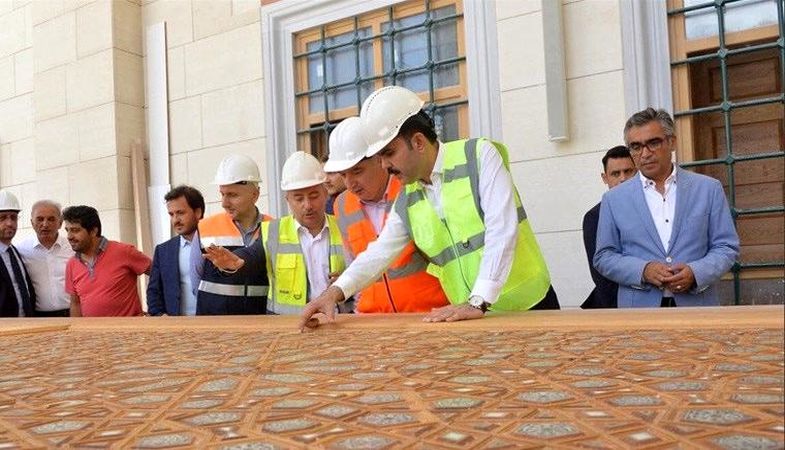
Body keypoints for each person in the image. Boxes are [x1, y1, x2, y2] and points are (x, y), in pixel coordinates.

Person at [299, 86, 558, 329]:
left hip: (528, 305)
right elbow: (379, 253)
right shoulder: (408, 197)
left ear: (419, 142)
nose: (384, 166)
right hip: (468, 317)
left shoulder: (480, 156)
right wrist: (334, 293)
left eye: (389, 153)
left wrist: (478, 300)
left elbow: (502, 231)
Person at [594, 108, 739, 307]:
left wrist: (696, 272)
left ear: (672, 142)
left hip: (697, 306)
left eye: (653, 143)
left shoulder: (708, 189)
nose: (645, 153)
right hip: (640, 311)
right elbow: (604, 256)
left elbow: (726, 247)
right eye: (636, 147)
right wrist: (643, 270)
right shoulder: (613, 199)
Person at [326, 116, 449, 312]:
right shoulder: (341, 205)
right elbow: (355, 264)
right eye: (343, 175)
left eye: (357, 171)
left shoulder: (411, 189)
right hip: (374, 318)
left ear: (380, 159)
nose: (350, 183)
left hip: (431, 313)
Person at [204, 151, 345, 315]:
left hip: (337, 321)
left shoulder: (345, 227)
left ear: (325, 194)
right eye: (299, 198)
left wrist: (347, 283)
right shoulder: (272, 231)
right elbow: (252, 254)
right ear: (288, 200)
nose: (307, 205)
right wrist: (236, 262)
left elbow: (362, 270)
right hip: (288, 324)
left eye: (314, 196)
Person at [191, 154, 271, 315]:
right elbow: (195, 283)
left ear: (255, 195)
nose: (224, 203)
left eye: (233, 195)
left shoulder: (275, 228)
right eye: (222, 194)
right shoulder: (206, 228)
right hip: (215, 324)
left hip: (261, 322)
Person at [63, 205, 151, 317]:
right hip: (91, 328)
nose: (69, 236)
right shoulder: (72, 264)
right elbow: (75, 303)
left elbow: (159, 274)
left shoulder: (124, 252)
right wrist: (76, 327)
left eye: (75, 230)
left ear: (93, 231)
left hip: (129, 327)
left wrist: (155, 310)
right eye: (67, 230)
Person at [581, 146, 637, 309]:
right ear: (605, 178)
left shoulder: (654, 207)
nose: (623, 179)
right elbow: (602, 276)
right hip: (618, 307)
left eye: (628, 171)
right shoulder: (595, 217)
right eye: (615, 174)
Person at [147, 185, 205, 316]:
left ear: (198, 212)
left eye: (180, 213)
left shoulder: (217, 244)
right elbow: (154, 291)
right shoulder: (163, 251)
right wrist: (159, 315)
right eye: (171, 214)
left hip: (213, 323)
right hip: (176, 324)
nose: (175, 220)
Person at [17, 200, 74, 317]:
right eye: (40, 219)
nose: (45, 224)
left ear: (60, 223)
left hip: (72, 313)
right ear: (32, 223)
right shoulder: (21, 250)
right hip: (38, 317)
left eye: (51, 219)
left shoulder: (72, 248)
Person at [0, 190, 35, 317]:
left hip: (25, 323)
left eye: (13, 217)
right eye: (2, 218)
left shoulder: (14, 251)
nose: (9, 223)